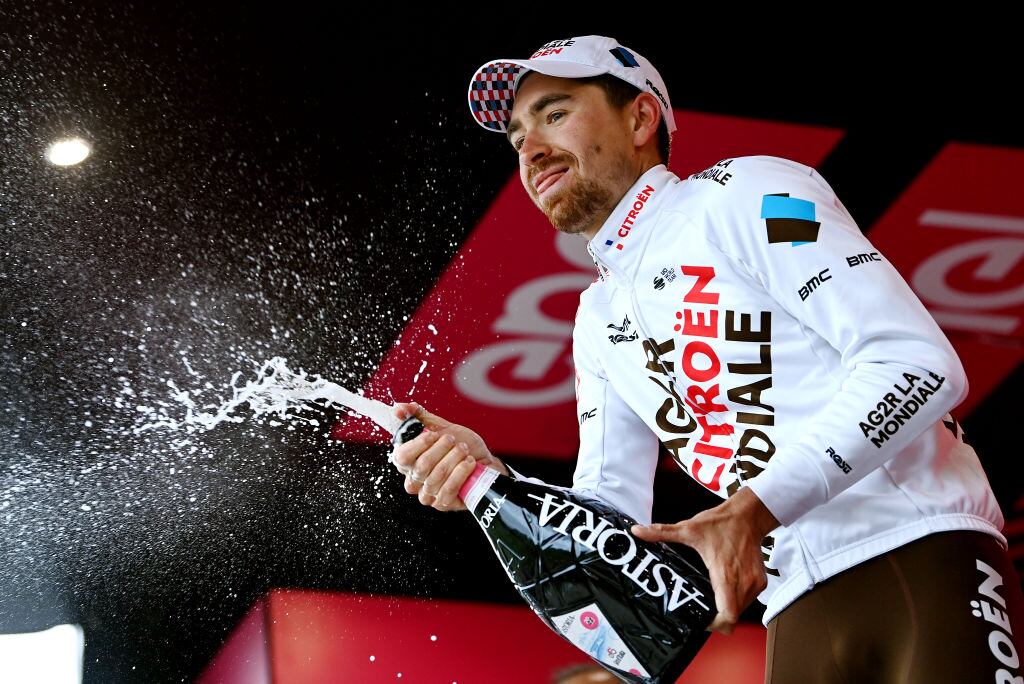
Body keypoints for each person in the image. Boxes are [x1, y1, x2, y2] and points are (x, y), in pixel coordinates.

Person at [390, 35, 1024, 682]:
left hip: (921, 545)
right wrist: (492, 481)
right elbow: (610, 529)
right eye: (518, 136)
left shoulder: (745, 191)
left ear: (641, 118)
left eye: (554, 114)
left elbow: (918, 365)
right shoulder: (597, 316)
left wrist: (755, 507)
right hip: (794, 609)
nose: (530, 148)